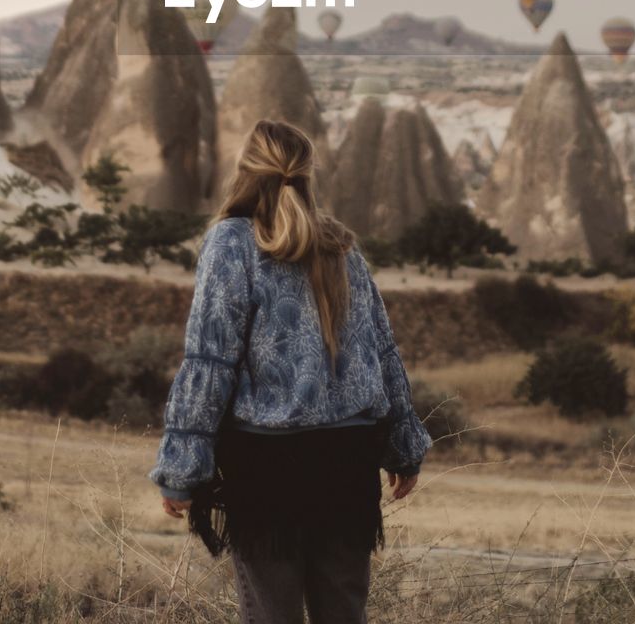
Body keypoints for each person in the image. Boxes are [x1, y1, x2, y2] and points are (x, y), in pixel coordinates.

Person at [150, 119, 432, 624]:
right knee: (344, 613)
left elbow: (209, 362)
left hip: (268, 469)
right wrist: (404, 448)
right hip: (347, 464)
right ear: (307, 174)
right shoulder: (342, 246)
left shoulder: (231, 245)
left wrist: (181, 469)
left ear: (245, 171)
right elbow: (382, 353)